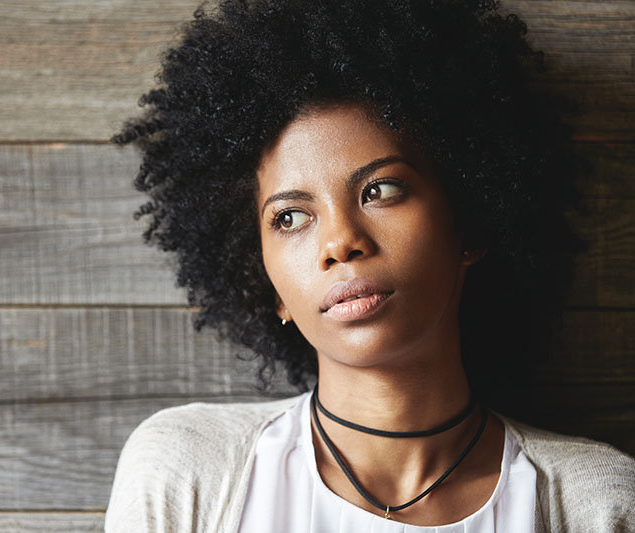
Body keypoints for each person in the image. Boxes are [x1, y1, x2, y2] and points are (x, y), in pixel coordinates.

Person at [105, 0, 635, 531]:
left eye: (380, 190)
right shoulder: (188, 469)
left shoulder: (596, 502)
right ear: (268, 287)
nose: (340, 243)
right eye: (290, 217)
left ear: (469, 223)